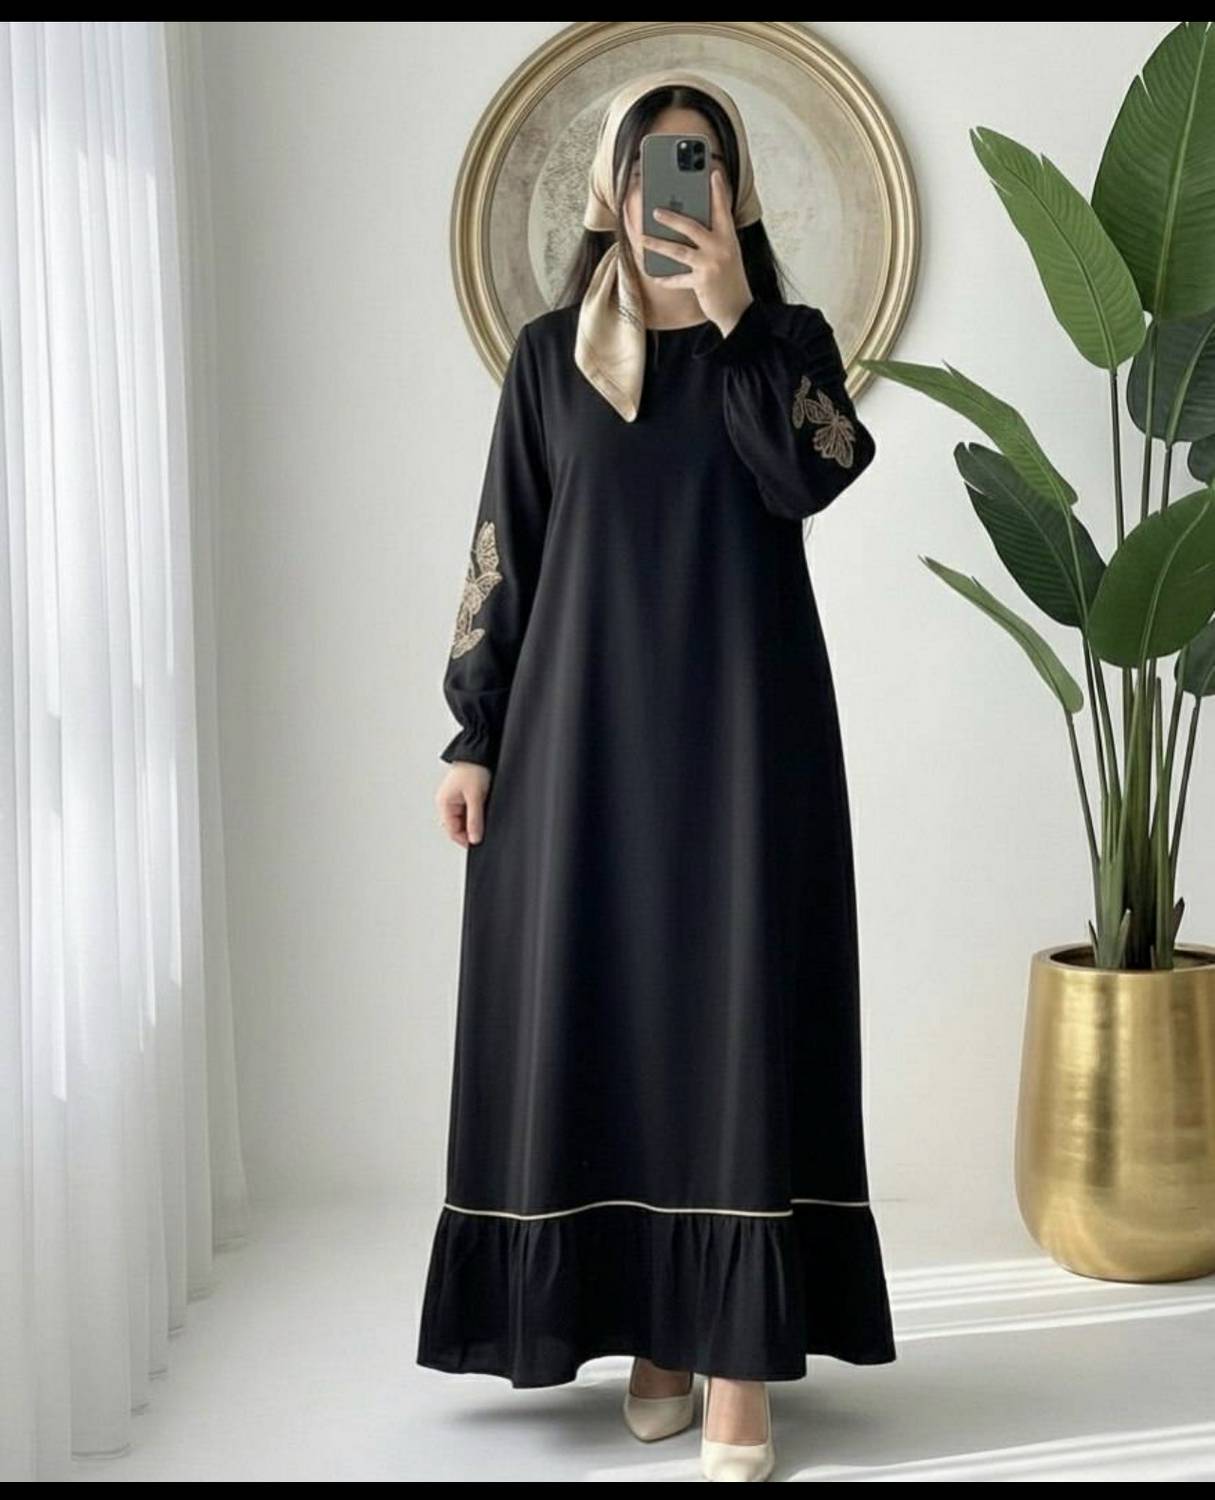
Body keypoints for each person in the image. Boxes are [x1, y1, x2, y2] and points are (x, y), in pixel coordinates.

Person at [416, 67, 896, 1482]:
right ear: (609, 189)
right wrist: (473, 733)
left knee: (732, 1021)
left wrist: (738, 317)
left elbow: (814, 474)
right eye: (648, 166)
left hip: (747, 743)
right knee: (613, 1022)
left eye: (700, 166)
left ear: (735, 191)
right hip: (580, 747)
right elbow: (503, 549)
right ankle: (657, 1334)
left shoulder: (786, 344)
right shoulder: (548, 356)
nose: (670, 193)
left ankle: (738, 1366)